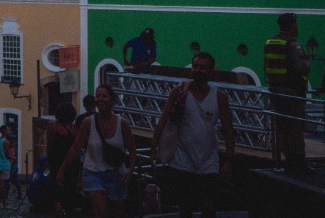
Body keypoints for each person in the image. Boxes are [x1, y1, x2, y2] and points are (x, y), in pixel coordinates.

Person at [150, 51, 235, 218]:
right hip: (182, 161)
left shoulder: (219, 97)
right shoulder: (179, 92)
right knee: (185, 207)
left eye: (203, 68)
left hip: (209, 162)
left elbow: (229, 130)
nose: (198, 70)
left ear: (211, 72)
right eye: (195, 66)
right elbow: (163, 120)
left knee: (209, 207)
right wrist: (154, 148)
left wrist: (229, 161)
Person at [57, 84, 137, 218]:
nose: (100, 99)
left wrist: (130, 171)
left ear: (112, 100)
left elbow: (132, 150)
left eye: (104, 96)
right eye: (98, 96)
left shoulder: (122, 123)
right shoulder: (88, 122)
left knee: (114, 212)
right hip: (93, 173)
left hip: (116, 174)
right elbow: (76, 147)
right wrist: (62, 170)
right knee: (101, 211)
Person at [264, 12, 312, 174]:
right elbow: (301, 68)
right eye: (296, 24)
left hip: (275, 91)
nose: (298, 26)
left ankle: (285, 160)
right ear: (292, 26)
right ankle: (298, 164)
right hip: (292, 92)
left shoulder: (271, 41)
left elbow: (266, 67)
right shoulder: (293, 45)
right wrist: (307, 61)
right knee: (295, 127)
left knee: (282, 127)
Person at [48, 103, 79, 218]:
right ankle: (68, 209)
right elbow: (76, 147)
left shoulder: (52, 126)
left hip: (56, 160)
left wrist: (49, 160)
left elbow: (50, 145)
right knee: (70, 186)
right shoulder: (74, 128)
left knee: (56, 185)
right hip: (71, 162)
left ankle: (58, 207)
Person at [0, 124, 13, 208]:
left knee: (0, 183)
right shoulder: (6, 142)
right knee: (2, 185)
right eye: (8, 129)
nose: (9, 131)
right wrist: (14, 157)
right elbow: (7, 155)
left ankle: (4, 202)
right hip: (5, 164)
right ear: (4, 131)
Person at [5, 135, 23, 200]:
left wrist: (9, 165)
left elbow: (12, 159)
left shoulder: (10, 150)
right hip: (13, 166)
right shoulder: (12, 149)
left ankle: (5, 196)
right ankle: (19, 195)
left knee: (8, 182)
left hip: (11, 166)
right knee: (15, 181)